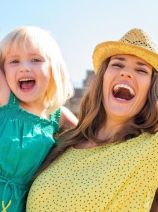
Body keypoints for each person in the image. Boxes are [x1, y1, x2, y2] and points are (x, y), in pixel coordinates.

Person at [27, 28, 158, 212]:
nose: (126, 73)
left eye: (141, 70)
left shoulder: (151, 149)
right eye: (118, 65)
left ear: (152, 89)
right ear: (103, 78)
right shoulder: (64, 140)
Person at [0, 26, 78, 212]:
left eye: (36, 59)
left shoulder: (59, 116)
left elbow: (96, 141)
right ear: (2, 69)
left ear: (53, 68)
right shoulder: (2, 96)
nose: (24, 67)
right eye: (14, 61)